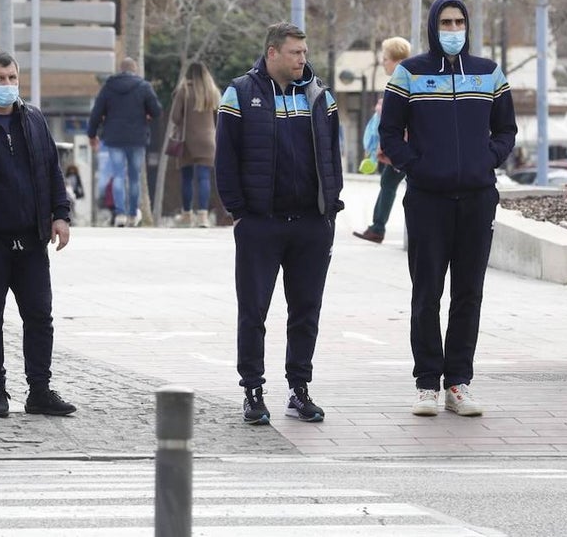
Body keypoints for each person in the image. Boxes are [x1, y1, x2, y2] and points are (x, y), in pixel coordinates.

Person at [378, 0, 517, 418]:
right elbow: (389, 131)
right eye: (445, 22)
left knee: (468, 294)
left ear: (467, 26)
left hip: (477, 199)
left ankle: (458, 383)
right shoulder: (410, 72)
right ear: (432, 26)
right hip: (427, 200)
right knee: (426, 294)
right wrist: (417, 167)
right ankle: (426, 385)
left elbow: (506, 128)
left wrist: (486, 159)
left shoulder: (488, 72)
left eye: (458, 22)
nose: (453, 29)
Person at [215, 22, 344, 425]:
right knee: (253, 310)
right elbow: (225, 157)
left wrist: (330, 208)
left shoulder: (320, 94)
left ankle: (299, 389)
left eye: (304, 53)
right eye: (295, 53)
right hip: (260, 224)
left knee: (306, 311)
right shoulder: (240, 93)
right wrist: (240, 211)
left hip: (310, 223)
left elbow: (332, 153)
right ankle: (253, 391)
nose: (302, 59)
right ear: (272, 53)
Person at [0, 50, 77, 419]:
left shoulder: (34, 119)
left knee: (39, 316)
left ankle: (39, 389)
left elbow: (51, 171)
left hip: (31, 240)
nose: (7, 85)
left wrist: (60, 215)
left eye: (12, 78)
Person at [87, 57, 162, 227]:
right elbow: (156, 110)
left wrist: (92, 134)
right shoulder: (144, 87)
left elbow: (96, 112)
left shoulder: (109, 87)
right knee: (134, 177)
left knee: (118, 175)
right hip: (137, 138)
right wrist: (147, 115)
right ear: (135, 70)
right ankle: (132, 214)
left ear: (120, 70)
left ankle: (120, 214)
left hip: (114, 138)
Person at [353, 36, 412, 244]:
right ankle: (377, 227)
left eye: (385, 58)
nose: (383, 62)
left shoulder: (402, 80)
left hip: (404, 147)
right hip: (404, 145)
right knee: (390, 182)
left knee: (392, 183)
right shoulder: (405, 78)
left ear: (396, 60)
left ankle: (378, 228)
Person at [169, 61, 219, 228]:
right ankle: (203, 216)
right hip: (208, 141)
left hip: (188, 141)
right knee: (204, 177)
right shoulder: (212, 92)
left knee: (187, 178)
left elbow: (175, 117)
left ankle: (187, 215)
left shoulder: (184, 90)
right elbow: (220, 116)